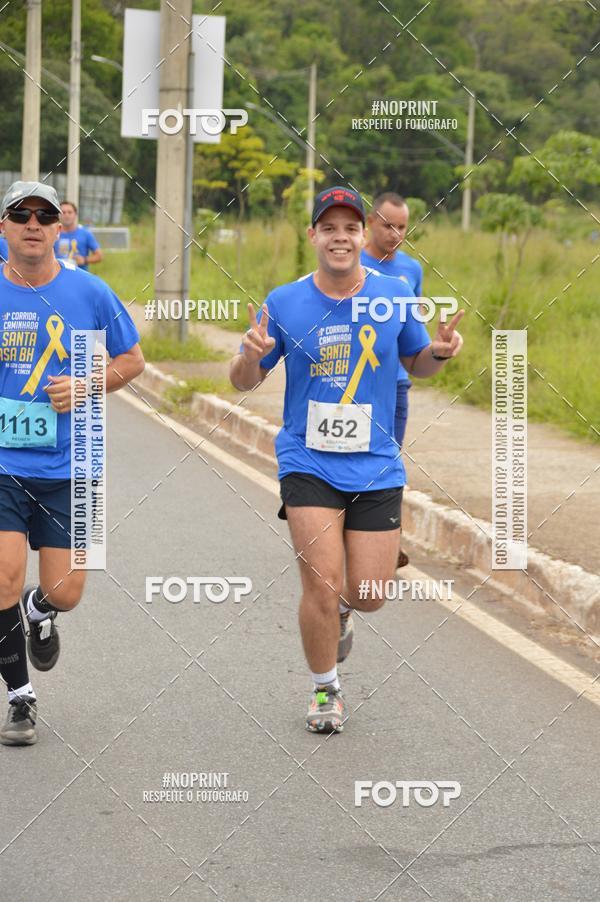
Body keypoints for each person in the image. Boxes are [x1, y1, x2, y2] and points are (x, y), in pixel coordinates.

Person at [230, 185, 464, 734]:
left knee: (368, 594)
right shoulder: (284, 301)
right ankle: (325, 688)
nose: (340, 237)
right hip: (307, 460)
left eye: (350, 228)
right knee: (321, 582)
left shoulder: (394, 293)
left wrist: (439, 353)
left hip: (376, 462)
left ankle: (341, 613)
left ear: (363, 236)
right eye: (329, 228)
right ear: (313, 235)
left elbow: (416, 361)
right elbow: (243, 382)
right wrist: (249, 357)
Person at [0, 181, 144, 746]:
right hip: (4, 465)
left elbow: (132, 360)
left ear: (60, 228)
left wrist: (86, 386)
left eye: (44, 216)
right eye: (21, 215)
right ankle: (20, 697)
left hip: (72, 464)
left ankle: (40, 611)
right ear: (4, 227)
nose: (33, 224)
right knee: (2, 579)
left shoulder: (90, 291)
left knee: (66, 591)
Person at [361, 192, 423, 568]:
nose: (395, 234)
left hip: (395, 385)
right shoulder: (351, 263)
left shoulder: (411, 271)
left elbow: (413, 332)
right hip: (354, 382)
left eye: (402, 227)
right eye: (388, 225)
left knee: (388, 460)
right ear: (370, 222)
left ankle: (389, 536)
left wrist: (436, 351)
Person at [54, 200, 103, 271]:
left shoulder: (85, 233)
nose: (66, 215)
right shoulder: (53, 233)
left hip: (80, 274)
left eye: (69, 212)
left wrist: (84, 260)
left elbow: (99, 256)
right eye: (63, 212)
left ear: (75, 214)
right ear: (59, 215)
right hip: (58, 274)